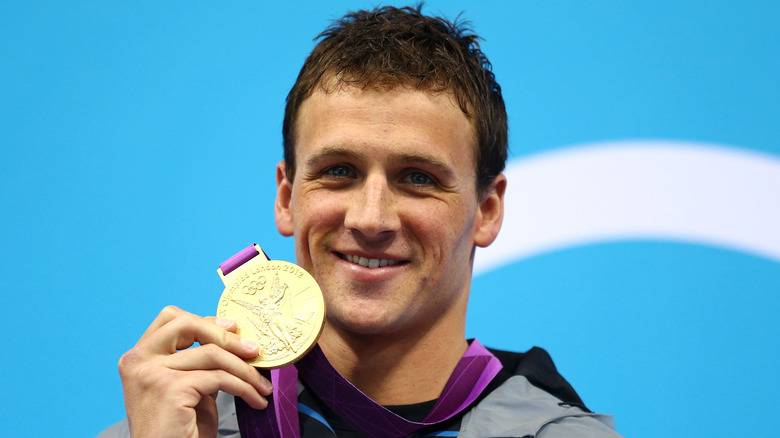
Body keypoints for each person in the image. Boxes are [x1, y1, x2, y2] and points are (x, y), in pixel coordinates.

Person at [101, 5, 621, 437]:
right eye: (339, 171)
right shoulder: (174, 428)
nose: (371, 218)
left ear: (487, 211)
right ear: (286, 197)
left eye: (417, 178)